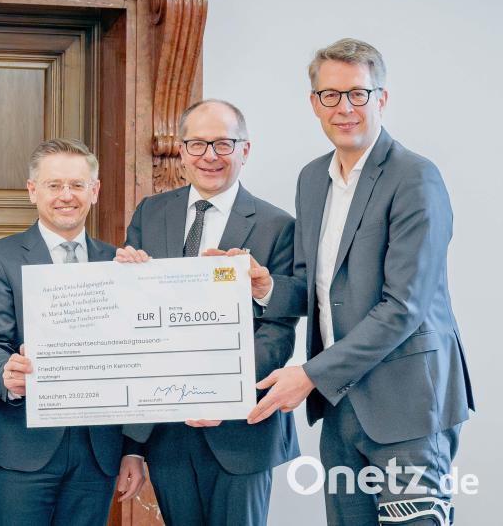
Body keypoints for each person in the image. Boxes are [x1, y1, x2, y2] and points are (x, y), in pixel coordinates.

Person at [244, 38, 474, 526]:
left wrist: (309, 375)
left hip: (408, 404)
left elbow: (403, 307)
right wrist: (265, 287)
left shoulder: (415, 177)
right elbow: (315, 288)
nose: (344, 108)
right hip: (341, 404)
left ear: (381, 98)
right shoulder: (312, 179)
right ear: (314, 103)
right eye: (330, 95)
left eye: (357, 93)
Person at [117, 100, 299, 525]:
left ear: (245, 150)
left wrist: (222, 393)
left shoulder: (278, 226)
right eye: (197, 144)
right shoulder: (150, 213)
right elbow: (132, 324)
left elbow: (278, 331)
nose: (209, 156)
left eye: (223, 143)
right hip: (167, 430)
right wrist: (133, 445)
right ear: (181, 151)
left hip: (240, 429)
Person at [0, 138, 146, 526]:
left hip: (97, 451)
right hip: (20, 445)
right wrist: (6, 374)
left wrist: (132, 448)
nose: (66, 195)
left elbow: (134, 359)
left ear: (94, 191)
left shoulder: (118, 262)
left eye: (77, 185)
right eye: (54, 185)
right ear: (33, 191)